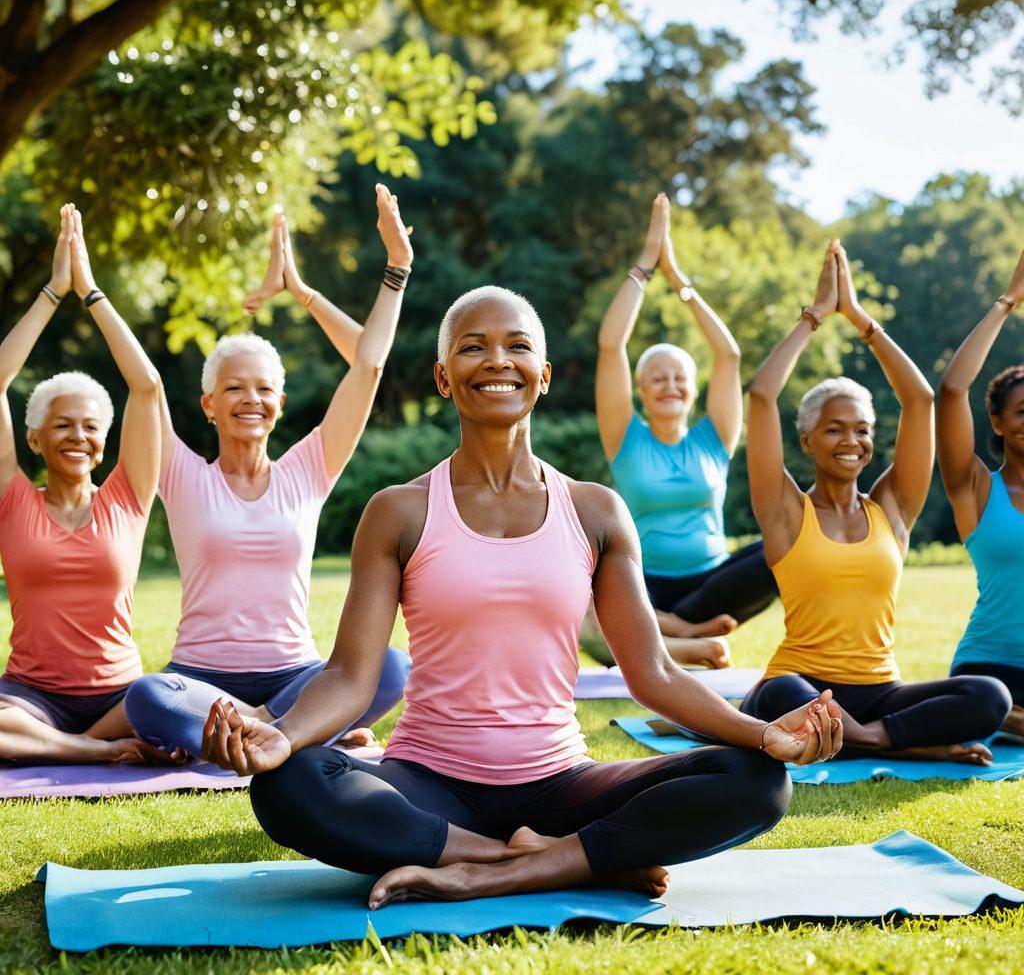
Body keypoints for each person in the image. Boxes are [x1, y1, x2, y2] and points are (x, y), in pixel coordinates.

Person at [203, 284, 842, 909]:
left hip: (560, 784)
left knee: (758, 781)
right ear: (443, 377)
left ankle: (493, 870)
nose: (497, 361)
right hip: (427, 782)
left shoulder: (597, 512)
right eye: (473, 347)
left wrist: (761, 736)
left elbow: (652, 673)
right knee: (287, 781)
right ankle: (532, 860)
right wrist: (281, 736)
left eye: (517, 346)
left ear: (543, 376)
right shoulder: (398, 512)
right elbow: (349, 676)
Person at [124, 186, 412, 759]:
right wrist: (90, 294)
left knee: (391, 667)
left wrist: (382, 272)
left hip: (297, 674)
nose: (249, 399)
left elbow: (370, 362)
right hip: (201, 683)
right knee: (146, 696)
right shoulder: (179, 472)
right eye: (233, 388)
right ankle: (299, 731)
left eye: (263, 390)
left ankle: (261, 727)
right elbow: (144, 382)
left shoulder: (309, 467)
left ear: (279, 403)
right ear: (209, 404)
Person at [741, 239, 1011, 764]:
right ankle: (909, 745)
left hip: (881, 690)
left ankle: (865, 739)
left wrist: (862, 319)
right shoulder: (785, 510)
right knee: (780, 695)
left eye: (862, 430)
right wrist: (815, 317)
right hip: (802, 687)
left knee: (989, 696)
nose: (851, 441)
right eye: (835, 429)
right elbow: (761, 396)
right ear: (807, 440)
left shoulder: (892, 507)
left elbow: (921, 400)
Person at [0, 204, 162, 763]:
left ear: (105, 439)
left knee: (170, 702)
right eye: (61, 425)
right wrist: (52, 291)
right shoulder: (11, 497)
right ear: (35, 440)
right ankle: (91, 751)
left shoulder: (129, 496)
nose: (77, 436)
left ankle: (70, 745)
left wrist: (90, 292)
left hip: (120, 695)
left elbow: (147, 387)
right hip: (29, 696)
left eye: (90, 426)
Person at [596, 194, 776, 669]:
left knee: (787, 542)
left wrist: (679, 281)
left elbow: (730, 356)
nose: (669, 384)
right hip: (640, 585)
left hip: (712, 585)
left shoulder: (714, 437)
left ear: (694, 390)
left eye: (679, 377)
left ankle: (656, 642)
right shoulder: (625, 437)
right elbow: (611, 343)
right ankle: (685, 642)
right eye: (657, 376)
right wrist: (645, 266)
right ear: (639, 388)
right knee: (584, 583)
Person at [937, 246, 1024, 739]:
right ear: (997, 422)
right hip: (989, 667)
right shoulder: (975, 488)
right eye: (1022, 411)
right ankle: (1003, 718)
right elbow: (951, 390)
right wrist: (1008, 300)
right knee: (984, 702)